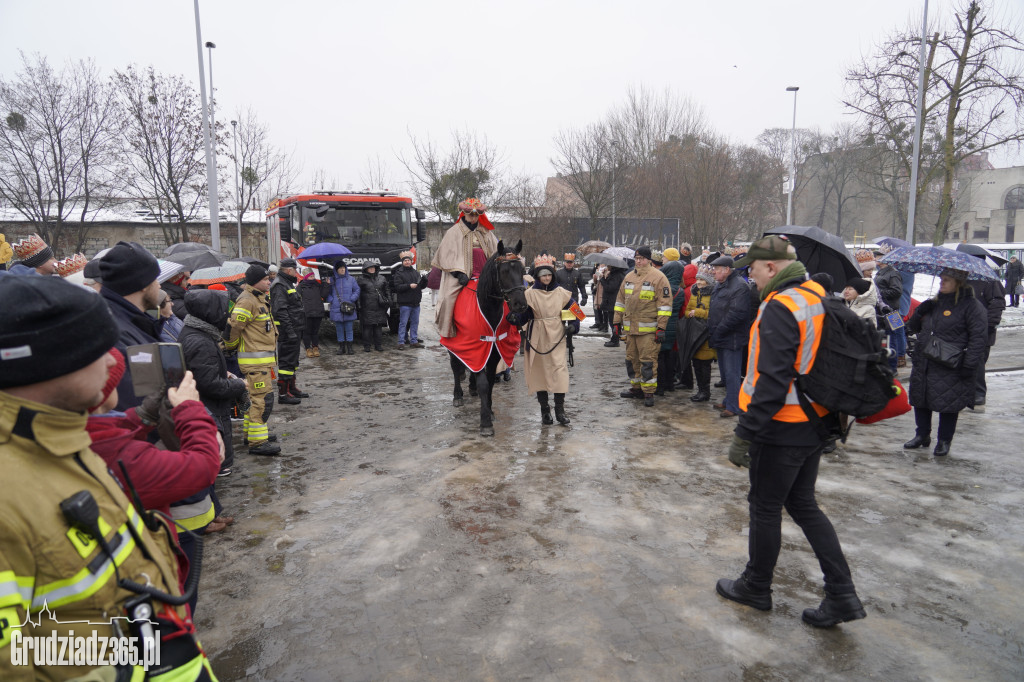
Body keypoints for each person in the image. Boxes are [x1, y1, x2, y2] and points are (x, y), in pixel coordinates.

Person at [0, 275, 218, 681]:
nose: (114, 362)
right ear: (48, 363)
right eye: (99, 351)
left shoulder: (57, 440)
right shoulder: (10, 492)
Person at [717, 236, 865, 629]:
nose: (749, 274)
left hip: (782, 426)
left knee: (765, 507)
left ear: (771, 267)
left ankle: (756, 585)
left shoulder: (781, 305)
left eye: (753, 267)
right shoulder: (814, 294)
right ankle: (841, 593)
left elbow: (773, 378)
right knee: (803, 505)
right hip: (814, 422)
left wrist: (745, 433)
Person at [86, 351, 224, 615]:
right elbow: (204, 465)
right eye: (98, 354)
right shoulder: (124, 460)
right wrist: (190, 409)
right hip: (141, 587)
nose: (113, 361)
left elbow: (105, 428)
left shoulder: (79, 434)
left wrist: (142, 416)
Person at [903, 268, 988, 456]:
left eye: (947, 280)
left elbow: (978, 338)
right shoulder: (933, 304)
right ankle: (922, 435)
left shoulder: (972, 307)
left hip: (951, 364)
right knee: (921, 399)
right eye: (941, 279)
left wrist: (969, 364)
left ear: (959, 283)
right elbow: (913, 327)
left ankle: (944, 441)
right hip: (925, 361)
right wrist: (919, 313)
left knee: (948, 403)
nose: (942, 283)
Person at [179, 288, 249, 477]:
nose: (226, 314)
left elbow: (203, 372)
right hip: (211, 409)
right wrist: (240, 384)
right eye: (222, 309)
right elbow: (210, 385)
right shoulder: (200, 341)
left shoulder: (197, 333)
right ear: (211, 312)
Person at [508, 255, 580, 425]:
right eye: (543, 275)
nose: (546, 278)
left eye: (549, 275)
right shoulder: (530, 294)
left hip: (557, 336)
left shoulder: (561, 293)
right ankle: (545, 411)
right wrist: (515, 318)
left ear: (552, 275)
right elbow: (525, 315)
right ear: (538, 276)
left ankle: (560, 411)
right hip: (537, 336)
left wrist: (574, 326)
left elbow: (577, 311)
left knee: (559, 372)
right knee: (540, 373)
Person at [98, 240, 164, 411]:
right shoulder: (116, 332)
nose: (159, 285)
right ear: (143, 284)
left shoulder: (125, 321)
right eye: (155, 278)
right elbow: (143, 403)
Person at [226, 264, 282, 455]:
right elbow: (234, 327)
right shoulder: (247, 301)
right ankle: (258, 443)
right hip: (255, 362)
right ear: (256, 281)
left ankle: (253, 434)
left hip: (261, 361)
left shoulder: (257, 298)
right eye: (266, 279)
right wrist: (228, 347)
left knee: (254, 399)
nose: (269, 281)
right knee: (262, 400)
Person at [613, 245, 673, 407]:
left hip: (649, 331)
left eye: (641, 259)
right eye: (636, 259)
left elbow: (665, 305)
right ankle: (636, 389)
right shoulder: (629, 277)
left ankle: (648, 392)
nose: (638, 261)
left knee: (648, 362)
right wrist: (616, 322)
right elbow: (620, 302)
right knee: (632, 361)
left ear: (648, 260)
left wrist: (661, 328)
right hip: (630, 330)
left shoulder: (658, 278)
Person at [431, 197, 499, 337]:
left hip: (485, 273)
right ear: (464, 214)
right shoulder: (454, 232)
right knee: (448, 299)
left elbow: (495, 251)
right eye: (471, 215)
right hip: (461, 274)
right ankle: (448, 329)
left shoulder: (486, 232)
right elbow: (446, 255)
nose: (474, 218)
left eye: (476, 215)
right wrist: (458, 273)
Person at [708, 255, 753, 419]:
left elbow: (736, 314)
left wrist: (718, 331)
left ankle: (734, 406)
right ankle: (729, 400)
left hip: (731, 337)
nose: (713, 273)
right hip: (720, 335)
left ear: (727, 270)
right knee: (725, 373)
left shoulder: (739, 286)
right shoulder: (721, 284)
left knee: (732, 373)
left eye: (716, 270)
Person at [964, 255, 1005, 406]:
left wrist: (988, 325)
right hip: (962, 327)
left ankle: (979, 393)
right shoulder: (960, 278)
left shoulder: (989, 279)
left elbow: (997, 303)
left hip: (982, 328)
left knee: (978, 360)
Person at [270, 258, 307, 402]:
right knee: (286, 362)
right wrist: (290, 331)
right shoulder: (280, 284)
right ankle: (283, 394)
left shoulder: (286, 282)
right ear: (289, 270)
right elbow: (281, 311)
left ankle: (292, 388)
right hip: (287, 330)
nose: (296, 274)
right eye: (295, 271)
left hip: (295, 328)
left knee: (293, 361)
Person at [684, 267, 716, 402]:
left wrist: (697, 313)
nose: (698, 282)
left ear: (708, 281)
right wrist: (690, 313)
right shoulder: (694, 293)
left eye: (702, 279)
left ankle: (705, 392)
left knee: (705, 365)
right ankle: (700, 390)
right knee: (696, 364)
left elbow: (715, 315)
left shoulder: (714, 295)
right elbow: (687, 312)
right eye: (697, 279)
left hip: (706, 335)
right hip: (695, 335)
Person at [656, 257, 686, 395]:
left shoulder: (663, 288)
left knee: (659, 356)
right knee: (669, 356)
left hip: (662, 325)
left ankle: (660, 387)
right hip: (673, 327)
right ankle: (670, 384)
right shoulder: (681, 291)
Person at [392, 251, 428, 349]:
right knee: (403, 323)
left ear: (411, 262)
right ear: (402, 262)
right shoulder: (399, 273)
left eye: (409, 260)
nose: (407, 262)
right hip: (405, 303)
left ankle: (414, 341)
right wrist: (409, 286)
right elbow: (397, 287)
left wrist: (425, 280)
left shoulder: (415, 273)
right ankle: (401, 342)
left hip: (415, 302)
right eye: (405, 261)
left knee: (415, 323)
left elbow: (420, 286)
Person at [875, 255, 905, 369]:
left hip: (892, 310)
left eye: (878, 256)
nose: (876, 258)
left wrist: (878, 292)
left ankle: (896, 362)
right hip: (885, 310)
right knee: (891, 336)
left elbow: (897, 291)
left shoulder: (893, 274)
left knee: (895, 336)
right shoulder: (881, 272)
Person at [327, 261, 361, 355]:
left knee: (349, 328)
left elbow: (357, 290)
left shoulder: (351, 279)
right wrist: (331, 299)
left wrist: (352, 298)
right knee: (339, 329)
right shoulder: (332, 280)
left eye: (344, 268)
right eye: (340, 268)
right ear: (336, 270)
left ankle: (350, 348)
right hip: (336, 308)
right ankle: (341, 348)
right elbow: (327, 292)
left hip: (348, 307)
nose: (342, 269)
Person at [358, 262, 390, 352]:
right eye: (370, 268)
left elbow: (387, 291)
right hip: (367, 307)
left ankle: (378, 345)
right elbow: (358, 294)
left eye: (373, 267)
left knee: (378, 327)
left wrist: (388, 302)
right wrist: (359, 305)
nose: (372, 269)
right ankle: (367, 346)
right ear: (365, 269)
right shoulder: (361, 279)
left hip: (380, 306)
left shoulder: (382, 278)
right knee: (367, 328)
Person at [298, 268, 329, 357]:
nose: (313, 278)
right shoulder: (301, 286)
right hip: (307, 312)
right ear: (306, 277)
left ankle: (315, 347)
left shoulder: (317, 285)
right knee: (307, 331)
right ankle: (308, 348)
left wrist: (326, 285)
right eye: (311, 276)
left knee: (315, 331)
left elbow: (323, 295)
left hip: (317, 311)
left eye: (313, 276)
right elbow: (296, 297)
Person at [601, 264, 626, 346]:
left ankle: (615, 340)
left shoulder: (616, 275)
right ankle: (615, 338)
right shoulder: (618, 274)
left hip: (613, 301)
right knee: (614, 321)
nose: (607, 266)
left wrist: (603, 279)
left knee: (613, 322)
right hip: (615, 301)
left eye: (608, 265)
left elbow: (610, 288)